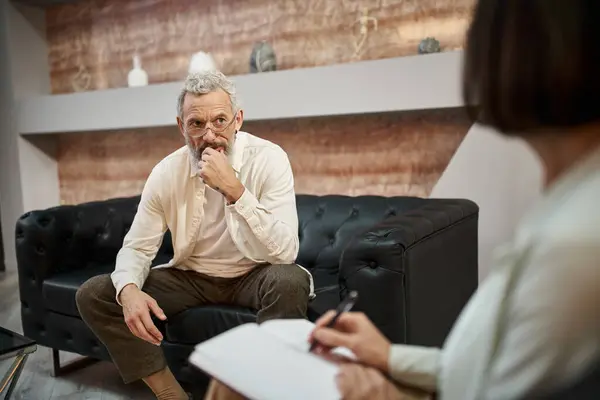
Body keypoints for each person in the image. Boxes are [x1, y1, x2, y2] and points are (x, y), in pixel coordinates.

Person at [207, 0, 600, 399]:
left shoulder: (574, 245)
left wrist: (385, 395)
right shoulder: (567, 210)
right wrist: (389, 356)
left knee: (231, 387)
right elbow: (482, 370)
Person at [76, 70, 313, 400]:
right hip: (191, 277)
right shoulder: (166, 172)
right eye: (197, 124)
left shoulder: (270, 158)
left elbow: (286, 252)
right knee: (97, 293)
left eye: (220, 120)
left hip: (254, 273)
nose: (210, 134)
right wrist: (128, 290)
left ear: (238, 120)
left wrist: (234, 190)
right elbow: (137, 245)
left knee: (289, 281)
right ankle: (171, 394)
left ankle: (263, 392)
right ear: (181, 126)